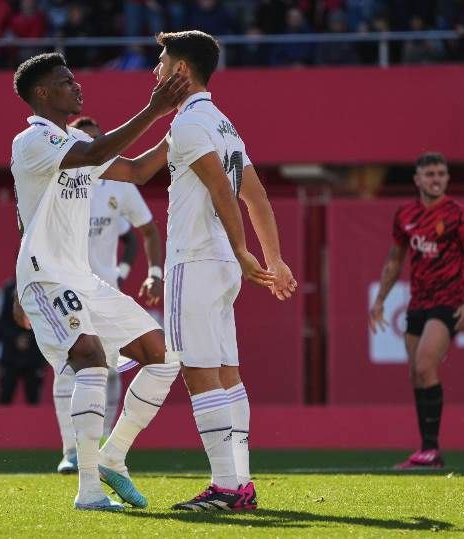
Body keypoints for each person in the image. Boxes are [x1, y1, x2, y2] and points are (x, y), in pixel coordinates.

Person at [10, 52, 188, 510]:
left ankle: (112, 456)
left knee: (163, 356)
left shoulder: (74, 140)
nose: (77, 86)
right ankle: (88, 489)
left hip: (82, 279)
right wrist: (154, 108)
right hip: (46, 279)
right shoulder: (32, 141)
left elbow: (137, 171)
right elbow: (94, 154)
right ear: (42, 93)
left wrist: (181, 124)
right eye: (66, 81)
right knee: (89, 358)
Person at [148, 30, 297, 511]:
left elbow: (220, 190)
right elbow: (256, 196)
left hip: (195, 259)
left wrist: (244, 250)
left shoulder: (189, 123)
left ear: (181, 70)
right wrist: (274, 258)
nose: (155, 71)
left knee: (199, 373)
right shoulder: (222, 123)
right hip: (219, 267)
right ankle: (241, 483)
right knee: (228, 374)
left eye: (161, 62)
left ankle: (225, 487)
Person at [49, 115, 165, 474]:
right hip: (67, 288)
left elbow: (147, 231)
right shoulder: (61, 178)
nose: (92, 145)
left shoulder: (117, 184)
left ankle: (101, 446)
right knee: (67, 367)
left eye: (97, 139)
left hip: (105, 289)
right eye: (84, 140)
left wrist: (152, 273)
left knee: (110, 370)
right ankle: (70, 450)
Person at [369, 152, 464, 470]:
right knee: (415, 373)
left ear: (447, 178)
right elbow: (395, 259)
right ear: (417, 179)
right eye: (430, 174)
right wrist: (380, 299)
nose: (436, 179)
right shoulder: (405, 214)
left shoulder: (459, 215)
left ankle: (432, 450)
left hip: (448, 301)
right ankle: (426, 451)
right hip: (417, 303)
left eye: (441, 174)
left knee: (425, 365)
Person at [0, 278, 46, 404]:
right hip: (10, 353)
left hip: (34, 352)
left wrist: (29, 337)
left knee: (33, 397)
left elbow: (46, 318)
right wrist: (15, 337)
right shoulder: (7, 289)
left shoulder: (43, 288)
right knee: (5, 396)